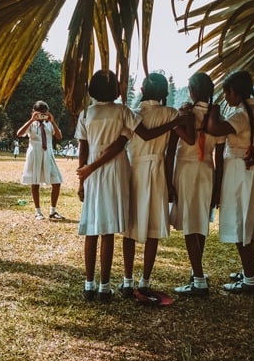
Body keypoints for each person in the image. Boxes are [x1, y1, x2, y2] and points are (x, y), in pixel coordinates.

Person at [75, 70, 190, 302]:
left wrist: (83, 175)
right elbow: (138, 137)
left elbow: (83, 147)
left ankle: (92, 284)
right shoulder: (123, 112)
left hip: (95, 172)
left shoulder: (87, 113)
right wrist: (175, 121)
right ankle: (109, 286)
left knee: (94, 228)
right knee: (109, 229)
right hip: (118, 170)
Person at [118, 73, 194, 300]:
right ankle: (146, 281)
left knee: (129, 227)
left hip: (135, 170)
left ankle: (127, 280)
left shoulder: (132, 114)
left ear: (141, 91)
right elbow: (185, 141)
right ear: (164, 94)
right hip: (158, 171)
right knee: (153, 227)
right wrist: (185, 117)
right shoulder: (170, 114)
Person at [206, 71, 254, 295]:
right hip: (252, 172)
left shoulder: (242, 115)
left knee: (241, 224)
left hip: (240, 174)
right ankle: (248, 271)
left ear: (233, 92)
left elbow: (214, 129)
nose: (226, 98)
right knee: (246, 222)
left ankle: (250, 281)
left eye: (226, 94)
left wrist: (213, 110)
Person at [169, 73, 224, 297]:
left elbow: (174, 145)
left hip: (187, 170)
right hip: (207, 170)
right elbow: (219, 156)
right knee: (200, 221)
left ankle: (199, 279)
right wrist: (218, 187)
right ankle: (196, 271)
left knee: (190, 225)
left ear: (191, 91)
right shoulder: (215, 118)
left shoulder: (184, 114)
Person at [16, 101, 64, 221]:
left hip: (48, 154)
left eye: (44, 113)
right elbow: (19, 133)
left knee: (57, 181)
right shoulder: (31, 124)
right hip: (35, 154)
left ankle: (53, 211)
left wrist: (52, 121)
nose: (42, 116)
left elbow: (59, 136)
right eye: (40, 113)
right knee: (35, 182)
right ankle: (38, 212)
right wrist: (31, 120)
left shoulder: (49, 124)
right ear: (34, 112)